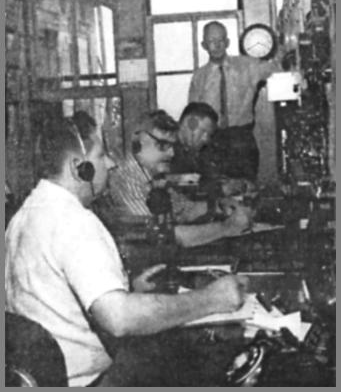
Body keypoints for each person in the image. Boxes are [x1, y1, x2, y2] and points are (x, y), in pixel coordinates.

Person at [5, 111, 248, 387]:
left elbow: (55, 302)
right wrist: (212, 299)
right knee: (206, 360)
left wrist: (127, 291)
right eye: (101, 154)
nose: (110, 163)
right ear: (78, 167)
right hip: (94, 381)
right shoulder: (73, 221)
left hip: (49, 379)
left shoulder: (24, 215)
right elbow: (118, 319)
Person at [109, 109, 252, 247]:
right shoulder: (126, 179)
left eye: (172, 146)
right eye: (163, 145)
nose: (171, 153)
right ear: (138, 142)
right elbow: (163, 235)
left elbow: (185, 209)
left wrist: (219, 206)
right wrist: (227, 227)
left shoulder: (153, 176)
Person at [188, 21, 280, 181]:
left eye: (221, 40)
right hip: (212, 142)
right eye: (211, 41)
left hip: (242, 141)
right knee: (215, 192)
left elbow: (275, 69)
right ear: (204, 45)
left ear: (228, 42)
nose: (216, 45)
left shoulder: (247, 66)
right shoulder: (199, 77)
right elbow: (193, 116)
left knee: (246, 192)